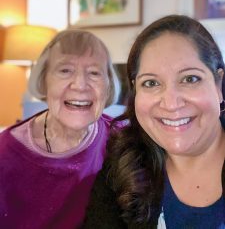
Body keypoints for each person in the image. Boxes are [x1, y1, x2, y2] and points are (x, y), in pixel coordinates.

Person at [84, 15, 225, 228]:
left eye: (190, 79)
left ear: (218, 85)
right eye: (151, 83)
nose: (171, 103)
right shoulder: (121, 167)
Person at [0, 29, 121, 229]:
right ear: (43, 80)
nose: (80, 85)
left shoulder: (123, 141)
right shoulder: (6, 155)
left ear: (108, 86)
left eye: (94, 73)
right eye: (65, 70)